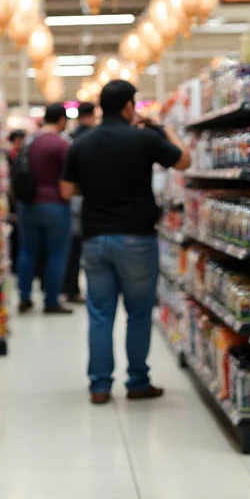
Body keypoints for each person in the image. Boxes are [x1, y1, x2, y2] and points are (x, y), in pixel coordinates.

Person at [60, 80, 191, 404]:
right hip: (137, 237)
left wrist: (93, 188)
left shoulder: (82, 143)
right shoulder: (144, 139)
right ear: (130, 106)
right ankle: (137, 382)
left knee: (100, 314)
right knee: (138, 313)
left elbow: (66, 191)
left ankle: (100, 387)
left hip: (95, 239)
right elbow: (184, 161)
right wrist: (162, 128)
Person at [16, 103, 72, 315]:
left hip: (28, 204)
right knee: (56, 254)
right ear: (61, 120)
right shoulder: (62, 145)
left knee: (27, 251)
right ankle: (51, 300)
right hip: (55, 205)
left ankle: (24, 297)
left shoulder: (30, 142)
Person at [63, 102, 97, 303]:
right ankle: (85, 290)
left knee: (73, 247)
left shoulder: (71, 139)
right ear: (92, 115)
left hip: (71, 198)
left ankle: (71, 287)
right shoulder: (95, 139)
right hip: (92, 200)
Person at [6, 130, 26, 273]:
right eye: (17, 140)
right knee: (15, 235)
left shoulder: (25, 156)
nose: (19, 143)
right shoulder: (9, 156)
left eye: (21, 140)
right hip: (12, 202)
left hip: (22, 201)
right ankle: (15, 265)